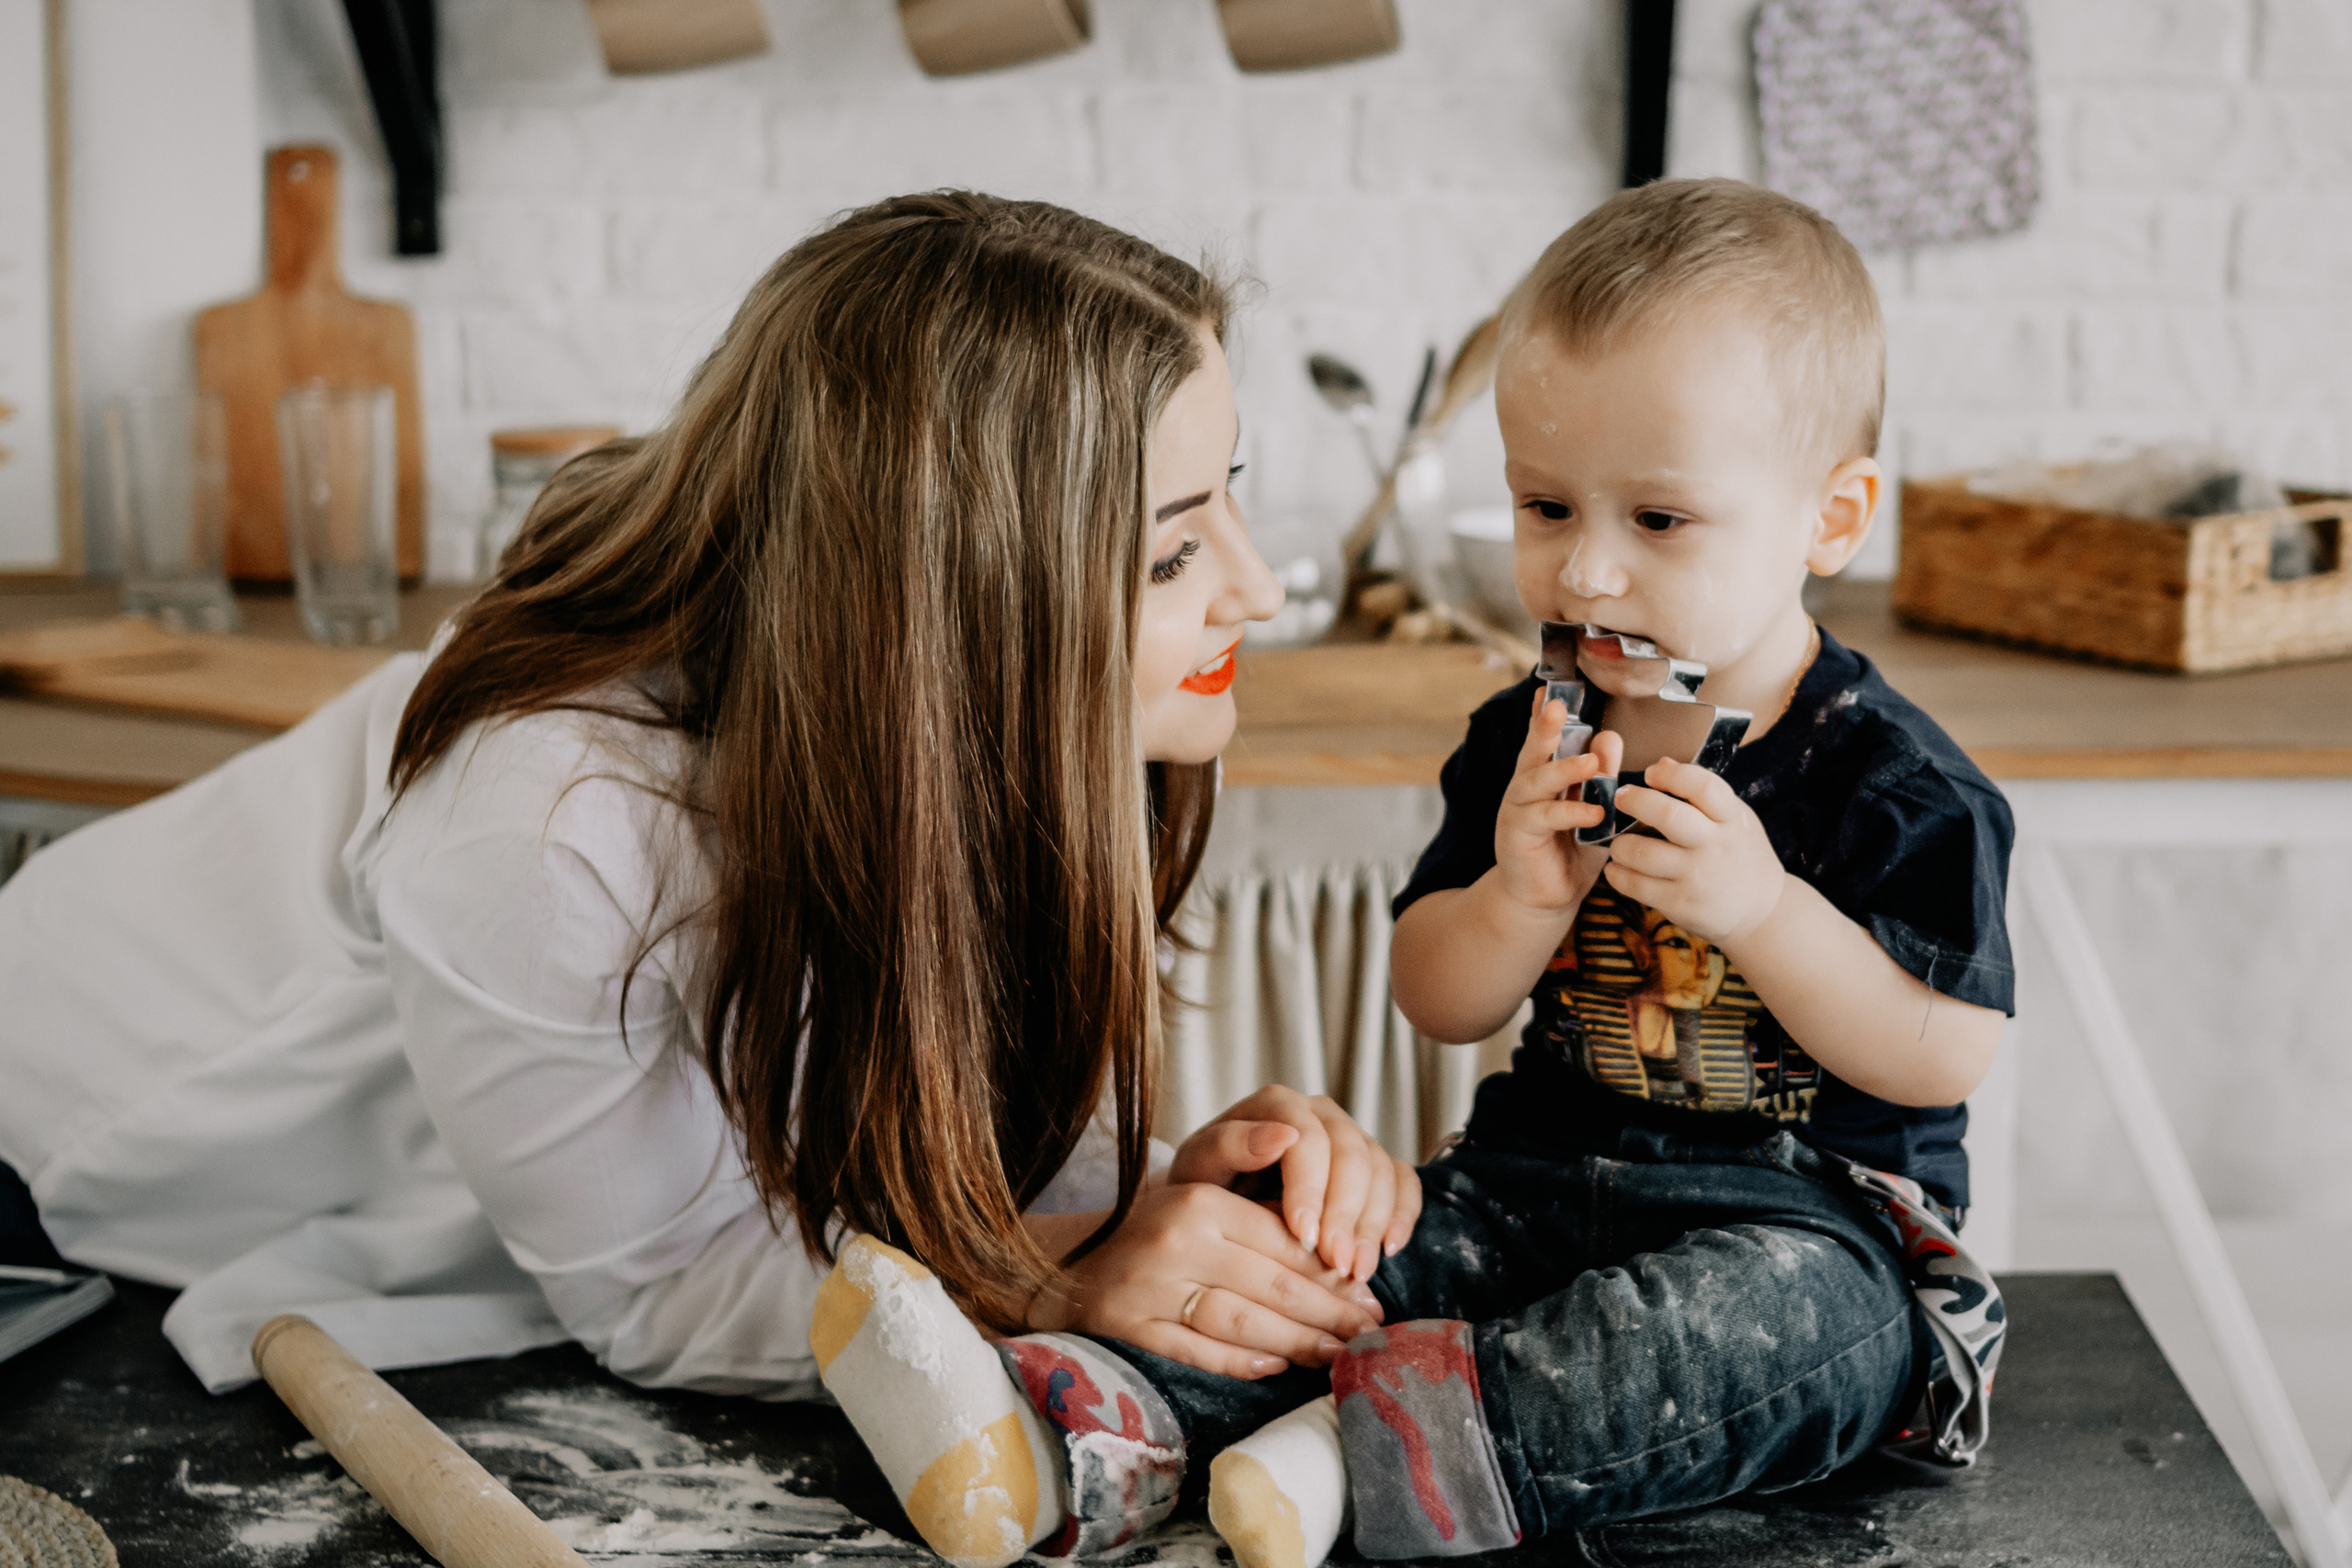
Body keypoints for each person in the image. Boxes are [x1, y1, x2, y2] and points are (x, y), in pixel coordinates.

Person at [0, 193, 1421, 1399]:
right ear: (955, 601)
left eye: (1227, 495)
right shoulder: (540, 821)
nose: (1259, 584)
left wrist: (1173, 1199)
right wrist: (1064, 1285)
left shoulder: (918, 717)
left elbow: (914, 1137)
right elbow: (660, 1295)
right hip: (55, 1163)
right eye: (1173, 554)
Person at [813, 178, 2015, 1568]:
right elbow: (1436, 996)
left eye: (1661, 523)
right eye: (1548, 507)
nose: (1590, 574)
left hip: (1800, 1222)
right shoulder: (1535, 733)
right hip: (1530, 1183)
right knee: (1316, 1267)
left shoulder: (1897, 786)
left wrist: (1762, 912)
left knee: (1797, 1338)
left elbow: (1943, 1057)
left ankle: (1358, 1449)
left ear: (1834, 516)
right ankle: (1067, 1439)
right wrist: (1518, 897)